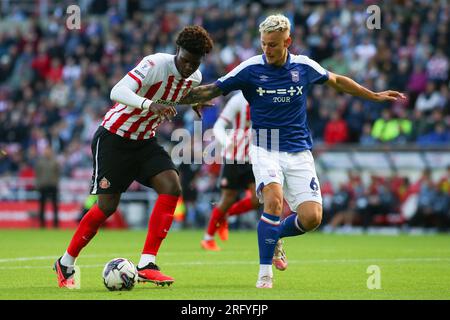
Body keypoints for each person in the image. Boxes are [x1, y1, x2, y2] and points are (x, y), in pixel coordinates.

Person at [180, 14, 405, 288]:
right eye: (263, 43)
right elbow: (213, 88)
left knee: (312, 218)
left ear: (288, 41)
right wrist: (176, 98)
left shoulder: (303, 66)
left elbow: (336, 80)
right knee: (273, 201)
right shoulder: (250, 69)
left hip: (299, 151)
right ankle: (264, 275)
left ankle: (275, 236)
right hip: (265, 146)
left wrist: (373, 95)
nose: (267, 49)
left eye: (273, 44)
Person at [53, 26, 214, 288]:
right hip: (114, 138)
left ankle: (147, 264)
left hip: (144, 141)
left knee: (171, 185)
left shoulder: (194, 76)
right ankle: (65, 262)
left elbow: (178, 92)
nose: (188, 67)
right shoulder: (154, 63)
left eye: (193, 63)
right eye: (185, 60)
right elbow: (117, 91)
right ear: (177, 51)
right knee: (107, 207)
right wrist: (150, 105)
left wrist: (193, 101)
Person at [200, 91, 260, 251]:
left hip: (255, 157)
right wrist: (227, 142)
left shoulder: (265, 94)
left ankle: (225, 215)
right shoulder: (238, 100)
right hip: (234, 156)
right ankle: (208, 238)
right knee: (228, 198)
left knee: (258, 199)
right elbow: (219, 125)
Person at [35, 145, 61, 228]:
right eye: (46, 150)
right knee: (42, 206)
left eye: (49, 150)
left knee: (55, 205)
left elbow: (58, 173)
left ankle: (56, 224)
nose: (47, 152)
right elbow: (37, 174)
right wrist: (38, 184)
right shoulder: (40, 161)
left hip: (53, 186)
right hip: (43, 185)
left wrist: (56, 183)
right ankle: (42, 224)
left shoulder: (55, 161)